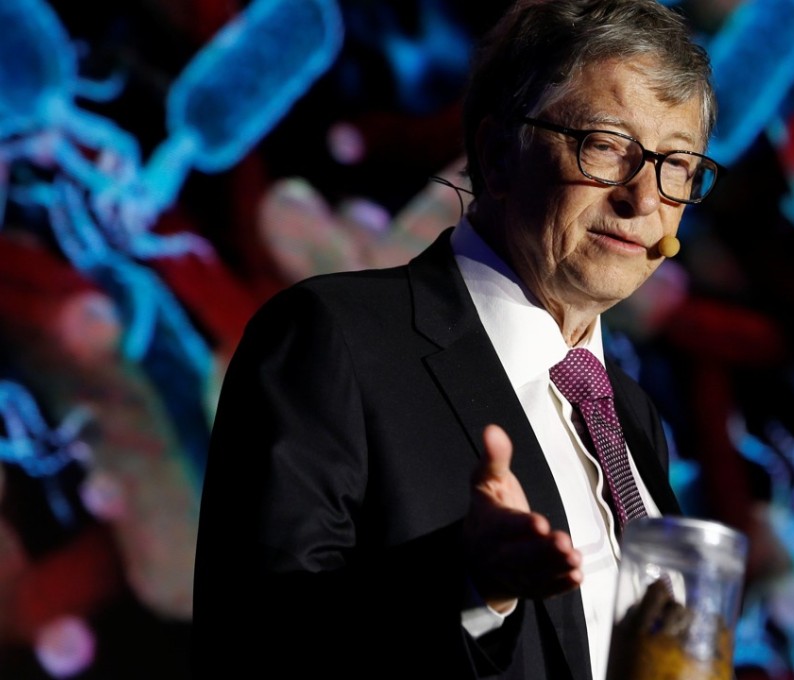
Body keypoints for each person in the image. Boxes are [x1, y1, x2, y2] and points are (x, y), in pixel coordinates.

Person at [191, 0, 721, 677]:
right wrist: (468, 584)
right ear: (499, 157)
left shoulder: (630, 412)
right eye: (607, 144)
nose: (643, 198)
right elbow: (254, 641)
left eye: (677, 165)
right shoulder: (334, 337)